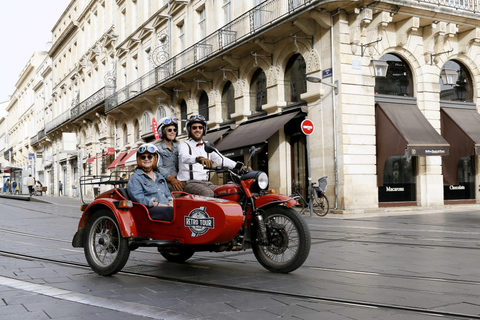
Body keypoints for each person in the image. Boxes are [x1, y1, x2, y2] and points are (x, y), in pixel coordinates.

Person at [178, 114, 239, 197]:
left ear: (204, 129)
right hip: (189, 183)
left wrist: (238, 166)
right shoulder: (184, 145)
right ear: (189, 129)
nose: (197, 130)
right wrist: (198, 159)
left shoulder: (207, 145)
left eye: (200, 127)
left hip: (206, 183)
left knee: (227, 191)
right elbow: (184, 157)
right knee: (207, 193)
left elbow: (221, 159)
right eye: (194, 127)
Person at [127, 143, 174, 221]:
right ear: (139, 159)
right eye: (143, 157)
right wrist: (158, 204)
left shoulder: (159, 176)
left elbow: (168, 193)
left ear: (155, 158)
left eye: (149, 156)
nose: (146, 159)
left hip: (166, 208)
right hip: (149, 210)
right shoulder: (135, 178)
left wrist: (171, 202)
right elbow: (139, 198)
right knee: (171, 212)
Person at [155, 117, 183, 192]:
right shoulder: (157, 148)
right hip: (165, 180)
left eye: (174, 130)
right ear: (162, 132)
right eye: (169, 130)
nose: (172, 132)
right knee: (178, 193)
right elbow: (158, 166)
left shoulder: (180, 145)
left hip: (180, 178)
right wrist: (171, 178)